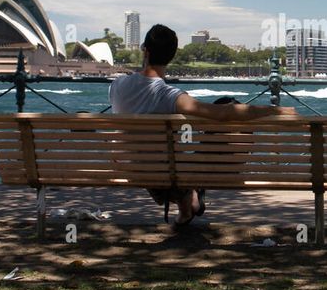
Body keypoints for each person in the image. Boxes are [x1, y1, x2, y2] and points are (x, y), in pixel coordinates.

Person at [109, 24, 298, 226]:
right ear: (172, 56)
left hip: (131, 170)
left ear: (144, 50)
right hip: (169, 172)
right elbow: (222, 113)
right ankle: (191, 197)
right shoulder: (169, 95)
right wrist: (273, 110)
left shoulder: (117, 86)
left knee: (167, 159)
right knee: (227, 108)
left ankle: (187, 206)